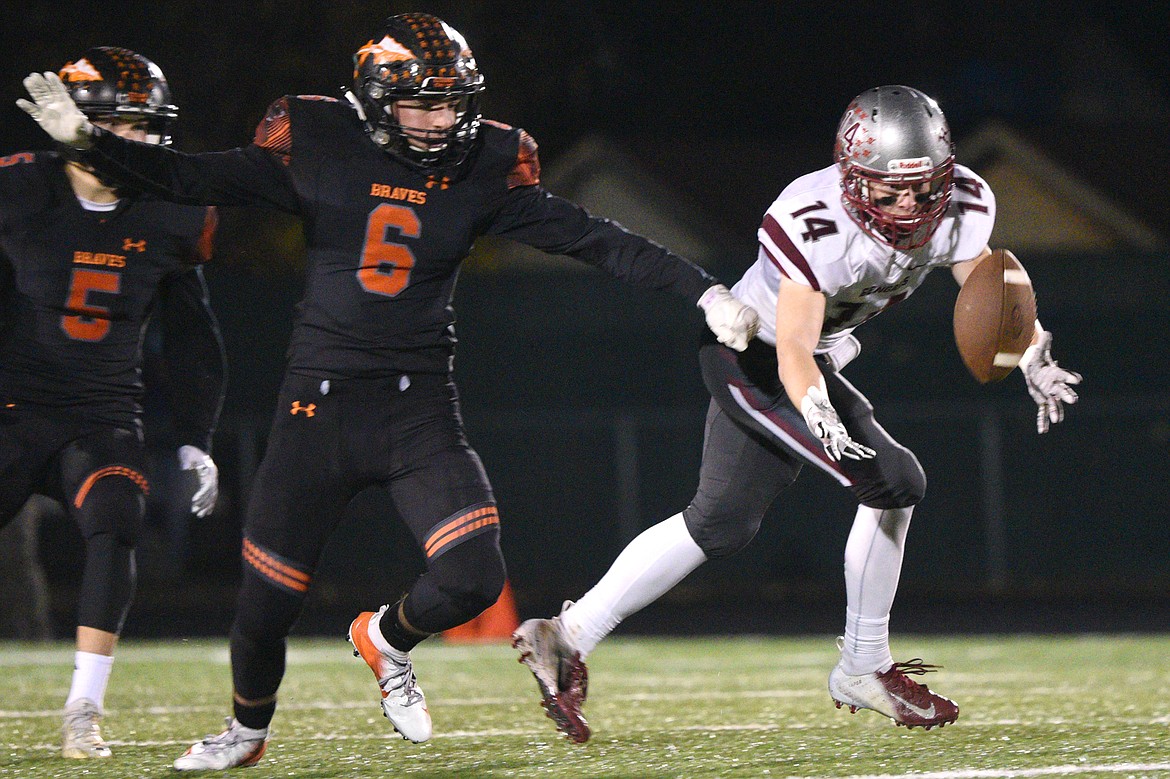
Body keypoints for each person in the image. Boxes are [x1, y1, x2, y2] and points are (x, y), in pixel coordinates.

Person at [18, 12, 760, 770]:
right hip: (318, 406)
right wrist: (94, 147)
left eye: (452, 102)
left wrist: (703, 293)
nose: (442, 120)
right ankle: (246, 733)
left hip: (418, 406)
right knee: (263, 606)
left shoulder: (483, 165)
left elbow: (598, 237)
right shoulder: (315, 142)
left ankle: (385, 639)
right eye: (423, 103)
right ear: (376, 98)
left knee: (474, 576)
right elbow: (191, 174)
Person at [511, 85, 1083, 743]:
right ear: (851, 179)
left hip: (813, 359)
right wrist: (819, 409)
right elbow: (792, 345)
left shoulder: (962, 206)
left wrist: (1033, 351)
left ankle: (566, 634)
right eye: (890, 191)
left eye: (925, 190)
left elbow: (985, 283)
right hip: (758, 357)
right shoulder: (814, 220)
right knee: (895, 481)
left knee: (719, 521)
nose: (910, 207)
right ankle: (865, 664)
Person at [1, 46, 225, 758]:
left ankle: (83, 709)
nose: (145, 144)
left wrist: (196, 435)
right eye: (129, 127)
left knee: (116, 516)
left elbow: (195, 333)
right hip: (14, 406)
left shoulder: (172, 210)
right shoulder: (19, 187)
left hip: (101, 414)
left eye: (150, 129)